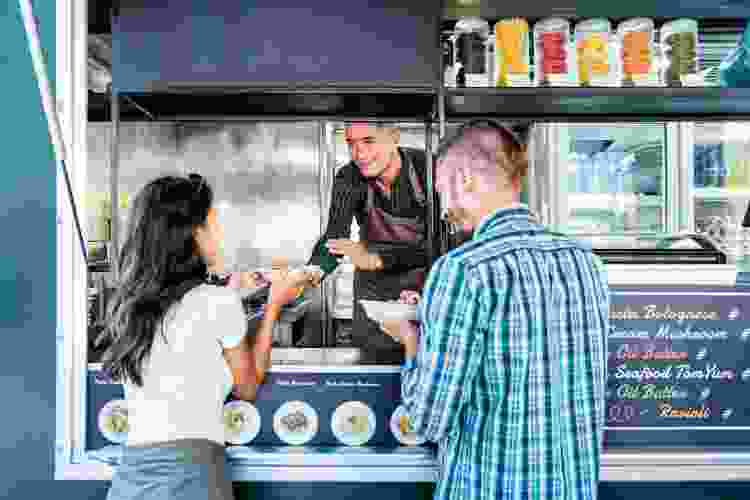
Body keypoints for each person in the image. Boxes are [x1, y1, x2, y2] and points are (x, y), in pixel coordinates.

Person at [380, 121, 609, 500]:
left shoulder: (464, 269)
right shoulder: (586, 263)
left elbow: (427, 420)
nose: (444, 208)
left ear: (466, 179)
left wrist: (411, 340)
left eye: (442, 191)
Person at [95, 174, 314, 500]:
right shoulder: (217, 302)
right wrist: (273, 308)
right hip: (193, 478)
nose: (219, 234)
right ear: (190, 235)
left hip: (130, 481)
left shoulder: (129, 307)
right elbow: (248, 386)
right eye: (213, 225)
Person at [308, 122, 437, 364]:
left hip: (423, 292)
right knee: (372, 372)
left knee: (424, 365)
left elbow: (443, 248)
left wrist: (377, 259)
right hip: (373, 297)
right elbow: (336, 237)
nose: (359, 154)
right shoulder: (350, 176)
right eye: (351, 144)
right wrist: (311, 272)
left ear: (394, 137)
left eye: (368, 141)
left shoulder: (429, 170)